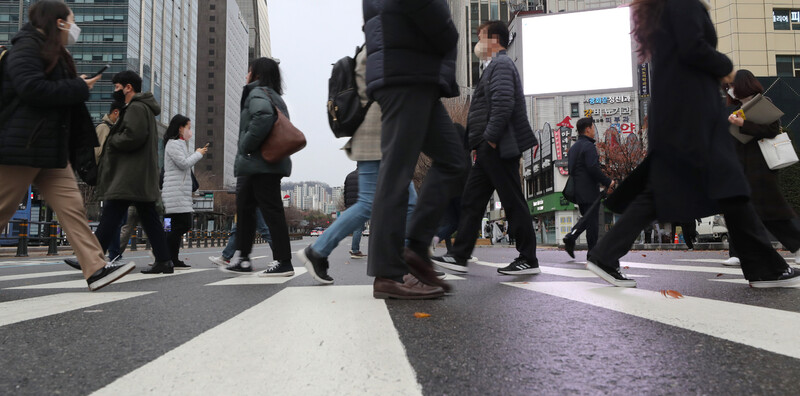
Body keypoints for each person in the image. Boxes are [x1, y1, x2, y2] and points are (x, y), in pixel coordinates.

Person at [585, 0, 800, 288]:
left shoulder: (664, 9)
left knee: (680, 192)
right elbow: (693, 48)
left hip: (679, 117)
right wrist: (725, 67)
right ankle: (765, 269)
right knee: (731, 189)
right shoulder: (682, 3)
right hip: (694, 116)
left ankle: (604, 254)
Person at [0, 0, 134, 290]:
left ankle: (96, 268)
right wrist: (78, 87)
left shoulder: (55, 53)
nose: (75, 27)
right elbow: (31, 89)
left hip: (48, 148)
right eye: (71, 20)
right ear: (58, 22)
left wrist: (76, 86)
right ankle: (96, 267)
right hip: (22, 147)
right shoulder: (27, 46)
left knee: (73, 209)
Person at [363, 0, 468, 299]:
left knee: (452, 159)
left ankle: (416, 251)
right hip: (404, 72)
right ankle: (387, 273)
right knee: (396, 173)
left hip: (415, 72)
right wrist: (449, 32)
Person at [297, 46, 419, 285]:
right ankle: (318, 250)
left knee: (408, 202)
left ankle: (410, 261)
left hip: (379, 138)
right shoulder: (380, 49)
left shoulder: (374, 48)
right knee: (370, 203)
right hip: (377, 137)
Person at [431, 20, 538, 276]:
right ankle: (459, 255)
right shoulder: (492, 66)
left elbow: (503, 104)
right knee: (472, 201)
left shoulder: (501, 64)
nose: (477, 43)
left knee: (512, 201)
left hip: (498, 146)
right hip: (487, 147)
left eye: (480, 37)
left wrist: (489, 139)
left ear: (494, 40)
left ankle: (528, 258)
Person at [87, 70, 174, 274]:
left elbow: (133, 136)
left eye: (117, 86)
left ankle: (91, 259)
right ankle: (164, 260)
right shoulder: (140, 108)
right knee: (149, 217)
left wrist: (111, 141)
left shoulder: (136, 108)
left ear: (128, 87)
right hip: (138, 175)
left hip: (130, 175)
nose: (114, 90)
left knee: (111, 212)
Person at [219, 58, 295, 277]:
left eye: (249, 71)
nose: (246, 75)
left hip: (260, 163)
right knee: (245, 211)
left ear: (256, 74)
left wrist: (246, 145)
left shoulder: (257, 93)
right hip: (260, 164)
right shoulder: (274, 95)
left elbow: (263, 117)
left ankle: (284, 261)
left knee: (269, 211)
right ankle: (243, 259)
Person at [723, 69, 800, 266]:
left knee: (770, 212)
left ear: (742, 85)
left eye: (731, 86)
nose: (729, 90)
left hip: (762, 168)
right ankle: (739, 252)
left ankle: (798, 246)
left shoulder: (762, 105)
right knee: (739, 210)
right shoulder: (735, 112)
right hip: (741, 169)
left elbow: (772, 130)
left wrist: (744, 124)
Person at [563, 117, 615, 258]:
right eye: (593, 127)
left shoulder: (573, 148)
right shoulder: (588, 146)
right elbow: (593, 168)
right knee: (591, 222)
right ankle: (576, 241)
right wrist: (607, 181)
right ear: (587, 129)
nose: (594, 131)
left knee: (588, 220)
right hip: (589, 190)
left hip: (578, 191)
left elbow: (573, 170)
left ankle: (580, 244)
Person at [161, 114, 206, 270]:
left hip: (178, 195)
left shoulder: (179, 144)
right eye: (188, 127)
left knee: (171, 228)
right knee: (181, 225)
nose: (190, 131)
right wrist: (198, 154)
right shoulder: (173, 144)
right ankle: (165, 255)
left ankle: (172, 258)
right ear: (180, 127)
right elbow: (183, 164)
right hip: (174, 196)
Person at [95, 101, 125, 261]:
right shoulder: (103, 128)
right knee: (112, 217)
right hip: (109, 178)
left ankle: (113, 253)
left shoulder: (113, 129)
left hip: (117, 177)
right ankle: (112, 254)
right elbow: (98, 153)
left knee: (116, 218)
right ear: (115, 113)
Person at [208, 209, 273, 266]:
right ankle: (225, 257)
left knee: (264, 230)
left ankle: (281, 257)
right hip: (252, 201)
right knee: (238, 229)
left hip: (253, 201)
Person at [343, 168, 367, 259]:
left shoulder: (349, 175)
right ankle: (355, 250)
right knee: (358, 228)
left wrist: (346, 205)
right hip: (361, 204)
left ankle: (354, 248)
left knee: (358, 228)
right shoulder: (365, 174)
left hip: (350, 205)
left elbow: (345, 192)